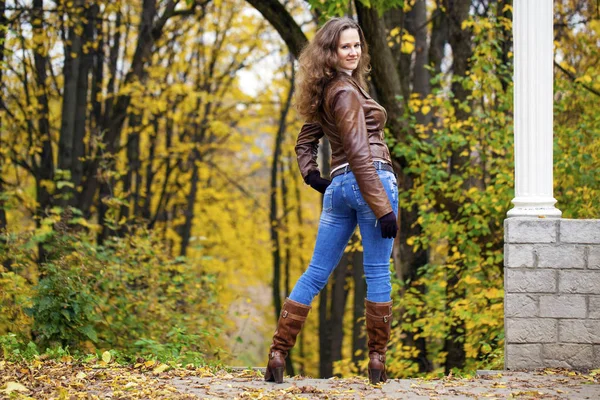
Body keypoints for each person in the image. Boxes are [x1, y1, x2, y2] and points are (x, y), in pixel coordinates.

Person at [264, 16, 398, 385]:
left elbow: (305, 141)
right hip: (371, 181)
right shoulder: (346, 92)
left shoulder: (327, 90)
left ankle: (278, 353)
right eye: (345, 46)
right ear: (331, 52)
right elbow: (359, 153)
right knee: (377, 273)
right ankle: (376, 362)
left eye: (357, 45)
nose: (353, 52)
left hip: (340, 190)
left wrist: (313, 176)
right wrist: (383, 207)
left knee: (315, 274)